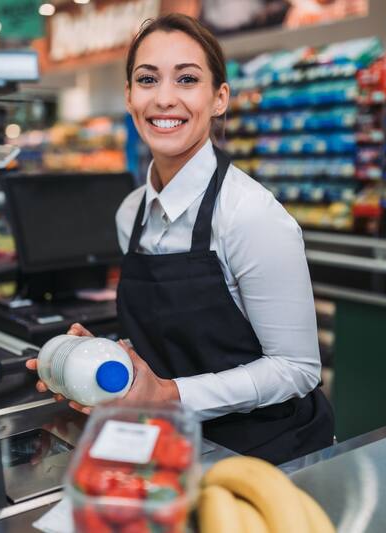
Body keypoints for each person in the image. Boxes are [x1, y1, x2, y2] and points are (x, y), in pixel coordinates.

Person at [27, 13, 333, 465]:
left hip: (267, 454)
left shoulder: (251, 215)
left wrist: (169, 394)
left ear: (218, 99)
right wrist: (106, 358)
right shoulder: (130, 212)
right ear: (130, 97)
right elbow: (173, 340)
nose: (165, 98)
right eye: (147, 79)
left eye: (187, 79)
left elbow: (297, 369)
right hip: (168, 444)